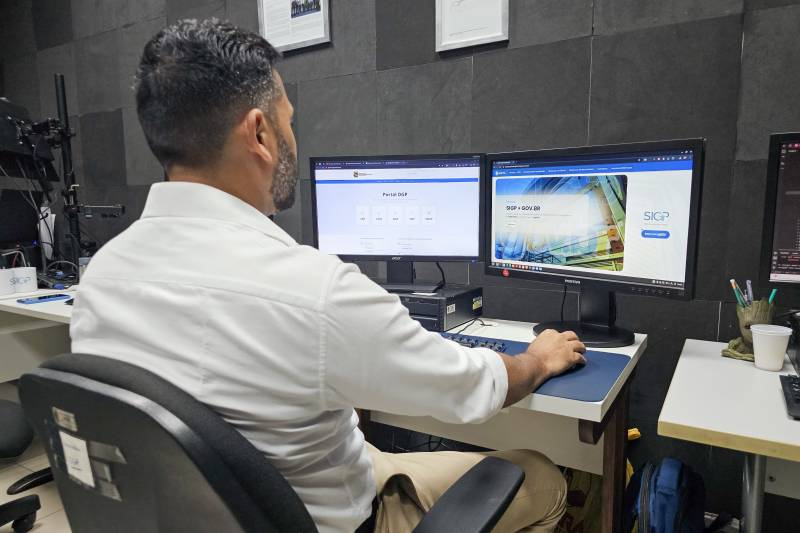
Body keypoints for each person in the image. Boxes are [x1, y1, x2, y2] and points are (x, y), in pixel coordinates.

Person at [70, 19, 586, 533]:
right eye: (288, 121)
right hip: (330, 521)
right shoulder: (315, 291)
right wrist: (537, 360)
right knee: (543, 477)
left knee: (364, 445)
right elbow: (472, 386)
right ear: (259, 133)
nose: (293, 138)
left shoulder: (102, 277)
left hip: (203, 515)